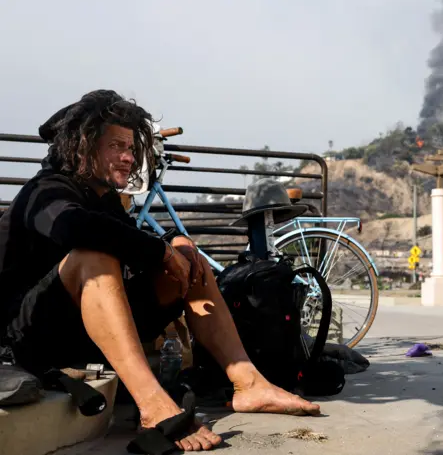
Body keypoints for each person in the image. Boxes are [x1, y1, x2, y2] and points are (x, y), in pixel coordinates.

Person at [0, 90, 319, 452]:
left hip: (81, 332)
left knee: (186, 256)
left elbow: (138, 245)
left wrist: (173, 246)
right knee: (95, 255)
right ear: (83, 148)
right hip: (30, 339)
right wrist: (158, 250)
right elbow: (73, 229)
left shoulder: (103, 199)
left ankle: (248, 383)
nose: (128, 157)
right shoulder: (45, 191)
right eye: (116, 146)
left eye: (132, 148)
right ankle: (152, 404)